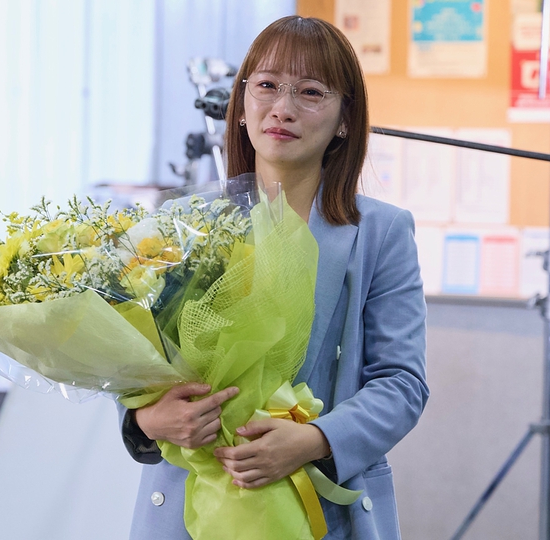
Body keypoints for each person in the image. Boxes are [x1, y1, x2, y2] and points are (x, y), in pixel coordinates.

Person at [119, 15, 428, 539]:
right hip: (185, 510)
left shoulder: (382, 233)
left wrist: (315, 440)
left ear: (345, 120)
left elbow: (402, 382)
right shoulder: (182, 223)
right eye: (266, 85)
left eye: (310, 92)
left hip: (318, 509)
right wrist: (148, 420)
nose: (283, 108)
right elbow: (133, 364)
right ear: (241, 106)